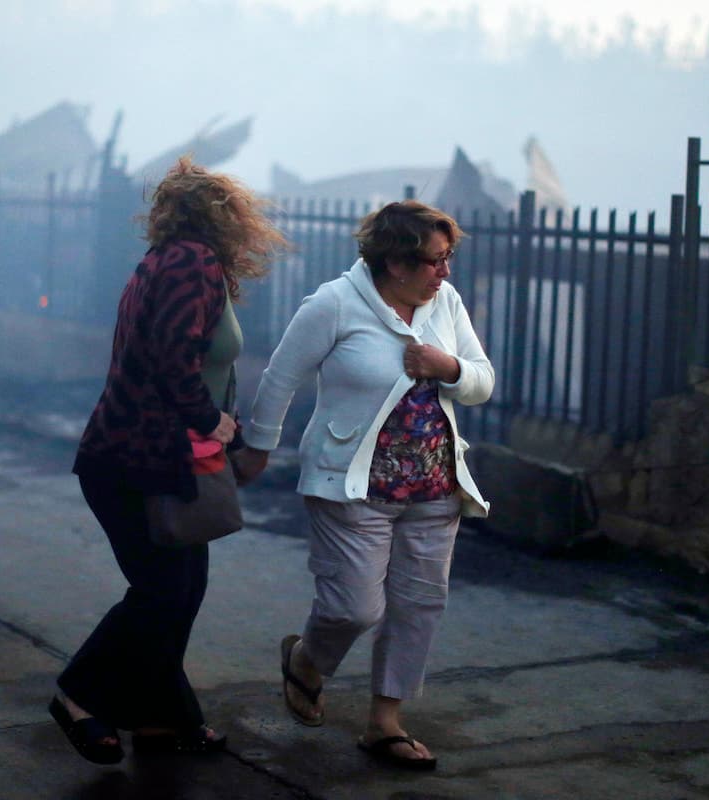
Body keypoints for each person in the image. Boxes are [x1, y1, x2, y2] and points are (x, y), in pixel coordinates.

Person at [235, 200, 493, 771]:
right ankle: (306, 661)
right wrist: (259, 446)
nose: (445, 272)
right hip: (351, 484)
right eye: (435, 261)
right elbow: (282, 376)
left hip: (434, 487)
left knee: (419, 605)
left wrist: (445, 366)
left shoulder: (443, 303)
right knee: (353, 607)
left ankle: (385, 723)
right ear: (396, 263)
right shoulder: (334, 303)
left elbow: (482, 381)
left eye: (448, 259)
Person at [49, 157, 287, 765]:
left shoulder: (165, 261)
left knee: (182, 589)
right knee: (162, 591)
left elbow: (199, 362)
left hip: (150, 456)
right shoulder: (190, 262)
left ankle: (162, 718)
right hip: (137, 459)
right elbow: (170, 358)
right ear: (225, 217)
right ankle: (78, 695)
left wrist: (219, 431)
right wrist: (213, 422)